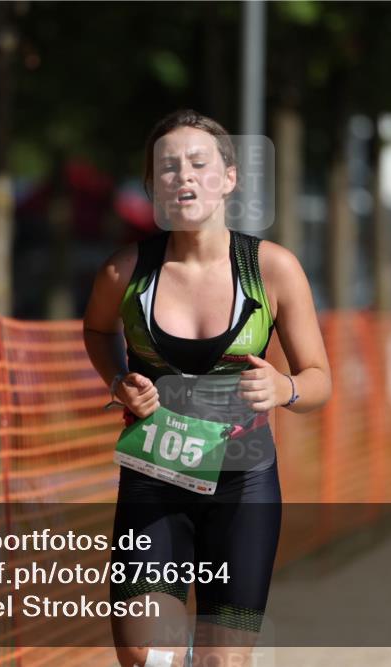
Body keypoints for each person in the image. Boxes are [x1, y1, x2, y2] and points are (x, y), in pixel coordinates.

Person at [82, 109, 331, 667]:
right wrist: (119, 380)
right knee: (143, 652)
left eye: (199, 163)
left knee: (223, 662)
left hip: (243, 485)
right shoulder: (124, 274)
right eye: (168, 168)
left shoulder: (272, 270)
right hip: (155, 479)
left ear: (229, 178)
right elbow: (97, 329)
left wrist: (283, 387)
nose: (184, 177)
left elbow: (320, 381)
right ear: (152, 186)